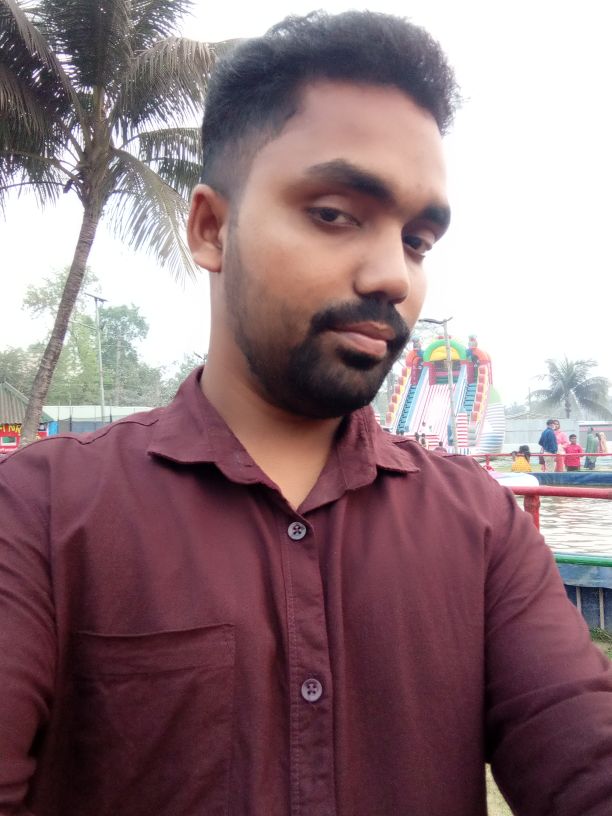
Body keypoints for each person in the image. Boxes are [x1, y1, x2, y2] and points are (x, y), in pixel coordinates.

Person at [1, 11, 611, 816]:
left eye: (418, 240)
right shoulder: (40, 515)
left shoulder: (483, 529)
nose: (394, 276)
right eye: (334, 214)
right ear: (211, 228)